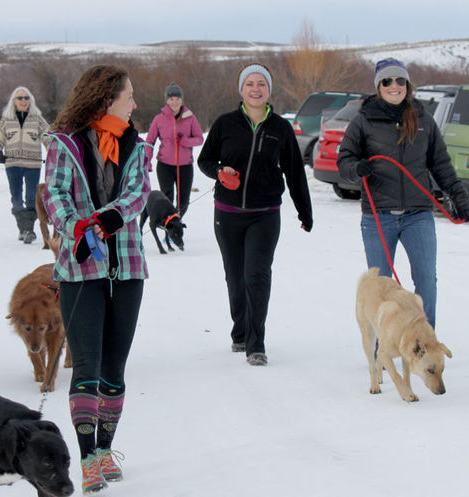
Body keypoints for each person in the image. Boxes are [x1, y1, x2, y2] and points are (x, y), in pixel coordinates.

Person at [43, 65, 150, 494]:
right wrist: (76, 230)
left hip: (126, 268)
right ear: (107, 99)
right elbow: (53, 194)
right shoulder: (64, 144)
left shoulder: (136, 147)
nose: (135, 103)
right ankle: (87, 457)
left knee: (114, 368)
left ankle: (106, 449)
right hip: (79, 269)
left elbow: (139, 192)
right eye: (129, 96)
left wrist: (107, 219)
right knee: (86, 366)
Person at [337, 57, 469, 329]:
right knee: (381, 287)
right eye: (387, 81)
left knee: (425, 280)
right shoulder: (363, 120)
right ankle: (383, 351)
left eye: (400, 80)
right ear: (379, 86)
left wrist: (459, 197)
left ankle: (424, 341)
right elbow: (344, 162)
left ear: (408, 84)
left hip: (417, 215)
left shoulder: (424, 120)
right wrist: (357, 168)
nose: (394, 86)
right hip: (379, 217)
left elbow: (441, 165)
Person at [198, 63, 313, 366]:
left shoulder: (280, 129)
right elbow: (205, 160)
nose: (256, 89)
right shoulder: (225, 124)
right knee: (235, 278)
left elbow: (295, 173)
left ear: (269, 90)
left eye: (261, 83)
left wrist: (305, 211)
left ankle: (256, 343)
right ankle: (240, 332)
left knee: (257, 276)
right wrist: (218, 172)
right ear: (241, 89)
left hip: (265, 214)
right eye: (250, 83)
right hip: (227, 213)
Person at [0, 86, 50, 244]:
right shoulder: (6, 120)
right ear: (14, 101)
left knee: (31, 198)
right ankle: (22, 228)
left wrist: (52, 152)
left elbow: (48, 137)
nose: (23, 101)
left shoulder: (37, 119)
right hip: (13, 163)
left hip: (33, 164)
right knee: (16, 198)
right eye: (20, 98)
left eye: (26, 98)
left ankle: (28, 230)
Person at [145, 82, 203, 217]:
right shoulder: (159, 119)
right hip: (165, 165)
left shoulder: (190, 118)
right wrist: (147, 161)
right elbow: (149, 142)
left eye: (177, 98)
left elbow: (199, 138)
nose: (175, 102)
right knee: (167, 199)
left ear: (182, 100)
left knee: (183, 201)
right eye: (171, 99)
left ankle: (176, 222)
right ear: (167, 100)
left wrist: (186, 141)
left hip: (185, 166)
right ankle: (169, 228)